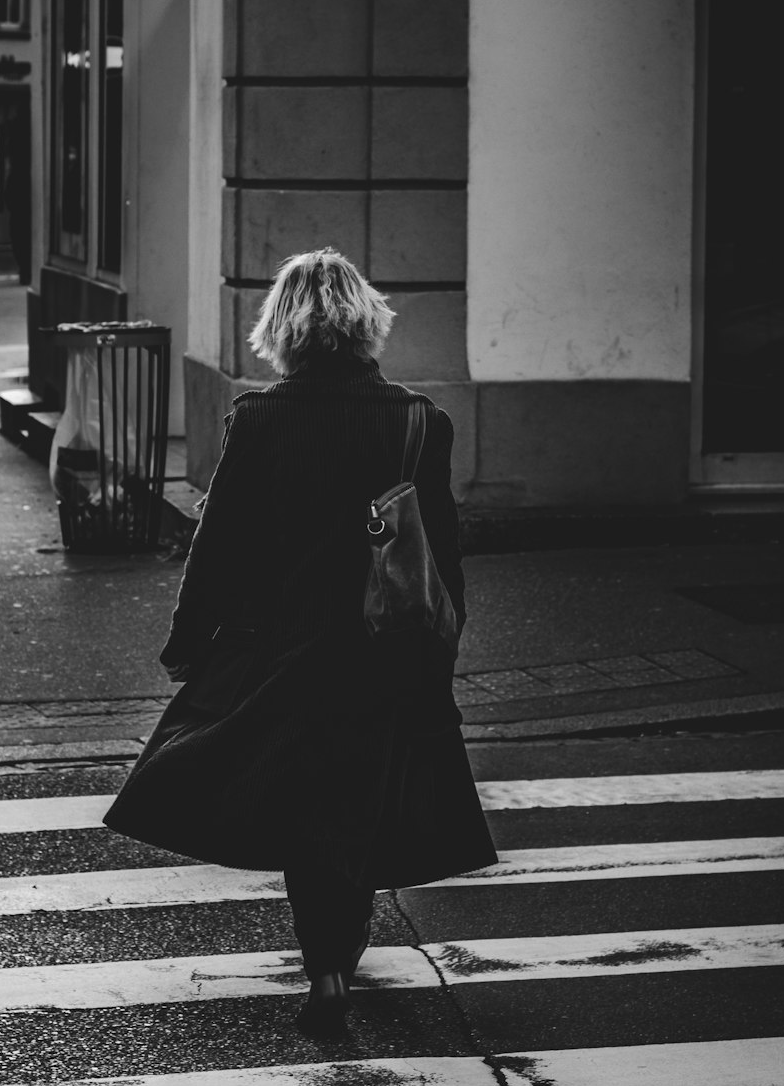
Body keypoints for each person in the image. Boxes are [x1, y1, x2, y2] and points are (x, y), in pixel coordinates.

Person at [103, 248, 496, 1036]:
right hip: (382, 650)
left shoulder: (257, 420)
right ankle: (338, 947)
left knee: (305, 800)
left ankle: (325, 964)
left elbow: (219, 546)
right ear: (367, 324)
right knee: (352, 800)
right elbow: (442, 554)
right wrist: (441, 650)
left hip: (277, 648)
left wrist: (189, 640)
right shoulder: (421, 421)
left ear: (281, 329)